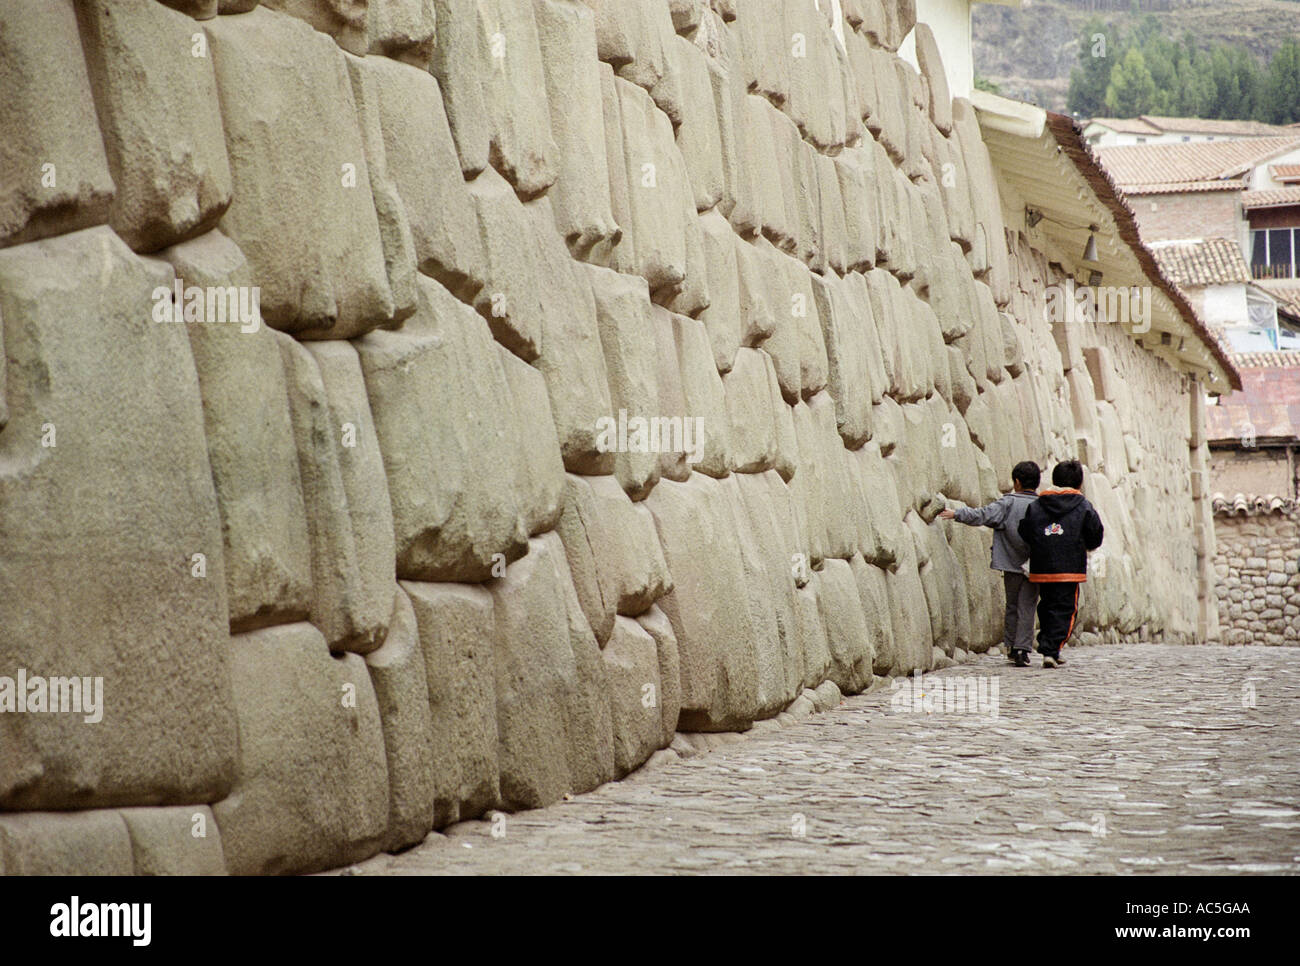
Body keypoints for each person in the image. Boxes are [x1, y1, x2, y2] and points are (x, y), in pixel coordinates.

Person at [940, 461, 1041, 668]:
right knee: (1028, 606)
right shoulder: (1043, 505)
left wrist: (956, 514)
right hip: (1036, 565)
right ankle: (1023, 648)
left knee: (1012, 604)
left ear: (1017, 482)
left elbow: (982, 515)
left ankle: (1012, 647)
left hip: (1011, 563)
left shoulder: (1007, 503)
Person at [1016, 459, 1104, 669]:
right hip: (1069, 568)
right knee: (1065, 609)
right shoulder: (1083, 505)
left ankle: (1048, 644)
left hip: (1042, 566)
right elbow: (1095, 533)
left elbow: (1025, 530)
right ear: (1079, 484)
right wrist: (1087, 545)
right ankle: (1051, 648)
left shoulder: (1037, 504)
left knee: (1046, 605)